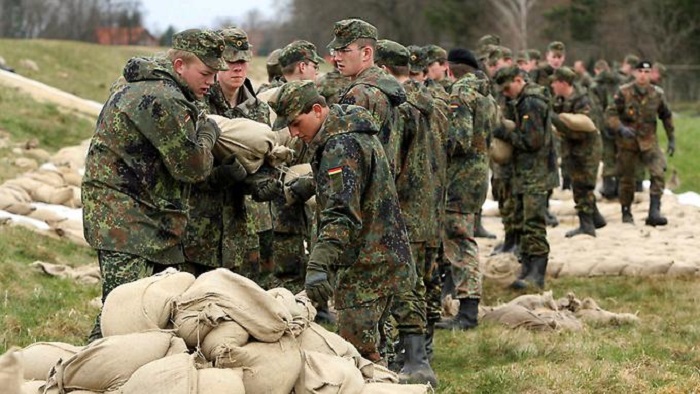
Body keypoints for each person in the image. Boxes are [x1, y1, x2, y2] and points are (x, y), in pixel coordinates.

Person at [82, 28, 228, 342]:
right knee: (124, 313)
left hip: (146, 218)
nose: (211, 82)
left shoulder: (152, 88)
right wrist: (207, 132)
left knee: (149, 309)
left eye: (215, 74)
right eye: (205, 73)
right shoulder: (160, 97)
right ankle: (87, 377)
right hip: (125, 221)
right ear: (179, 66)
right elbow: (193, 167)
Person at [269, 80, 416, 366]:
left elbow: (341, 214)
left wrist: (318, 264)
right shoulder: (350, 129)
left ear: (317, 110)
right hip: (382, 258)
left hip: (364, 266)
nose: (296, 134)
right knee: (377, 347)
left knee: (359, 358)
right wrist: (314, 182)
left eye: (298, 124)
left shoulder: (340, 145)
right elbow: (356, 182)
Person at [182, 27, 281, 279]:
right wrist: (219, 176)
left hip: (241, 228)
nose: (238, 68)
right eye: (231, 61)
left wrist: (261, 184)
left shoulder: (258, 109)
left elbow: (265, 160)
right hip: (200, 227)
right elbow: (183, 163)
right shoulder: (197, 102)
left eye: (243, 61)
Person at [374, 39, 438, 386]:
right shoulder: (428, 101)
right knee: (423, 282)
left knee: (404, 285)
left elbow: (390, 161)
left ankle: (415, 359)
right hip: (428, 208)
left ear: (382, 69)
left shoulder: (399, 107)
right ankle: (417, 351)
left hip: (405, 209)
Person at [436, 48, 496, 329]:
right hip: (478, 174)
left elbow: (457, 140)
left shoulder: (461, 93)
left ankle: (468, 312)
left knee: (460, 241)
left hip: (460, 177)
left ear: (451, 69)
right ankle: (464, 304)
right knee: (462, 237)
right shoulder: (486, 93)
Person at [492, 66, 558, 289]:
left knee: (533, 223)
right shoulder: (521, 101)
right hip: (526, 173)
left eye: (508, 87)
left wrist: (504, 132)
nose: (507, 93)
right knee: (523, 221)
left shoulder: (531, 102)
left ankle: (536, 273)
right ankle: (527, 269)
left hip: (536, 173)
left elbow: (532, 141)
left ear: (519, 80)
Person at [332, 18, 407, 177]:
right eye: (335, 51)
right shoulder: (383, 85)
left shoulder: (361, 94)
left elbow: (347, 157)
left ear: (366, 53)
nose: (337, 58)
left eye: (344, 51)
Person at [606, 60, 675, 226]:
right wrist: (620, 127)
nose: (643, 76)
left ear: (651, 74)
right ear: (635, 73)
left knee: (658, 172)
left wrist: (671, 138)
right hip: (628, 142)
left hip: (649, 141)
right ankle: (626, 211)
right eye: (640, 72)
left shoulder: (657, 94)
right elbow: (610, 114)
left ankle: (654, 211)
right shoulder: (624, 92)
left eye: (647, 72)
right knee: (627, 178)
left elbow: (665, 115)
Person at [549, 67, 606, 237]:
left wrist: (554, 119)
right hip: (572, 150)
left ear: (563, 83)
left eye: (554, 82)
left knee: (583, 187)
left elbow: (581, 131)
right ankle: (596, 218)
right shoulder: (561, 99)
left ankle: (586, 225)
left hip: (586, 150)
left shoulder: (583, 101)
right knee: (579, 184)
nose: (552, 85)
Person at [590, 59, 622, 200]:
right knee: (622, 154)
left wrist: (604, 126)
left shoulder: (595, 86)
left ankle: (609, 187)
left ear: (597, 70)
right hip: (622, 125)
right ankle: (621, 186)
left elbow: (597, 109)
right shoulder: (621, 83)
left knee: (608, 155)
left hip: (606, 125)